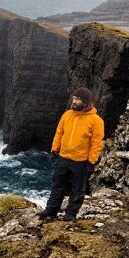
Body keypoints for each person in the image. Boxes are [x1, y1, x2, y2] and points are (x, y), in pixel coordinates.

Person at [40, 87, 105, 221]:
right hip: (63, 157)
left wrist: (91, 162)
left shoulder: (96, 120)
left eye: (77, 99)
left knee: (77, 189)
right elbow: (59, 133)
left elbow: (96, 143)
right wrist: (54, 150)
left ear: (86, 102)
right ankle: (51, 210)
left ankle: (71, 213)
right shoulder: (67, 115)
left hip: (80, 161)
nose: (73, 102)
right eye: (73, 98)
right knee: (57, 185)